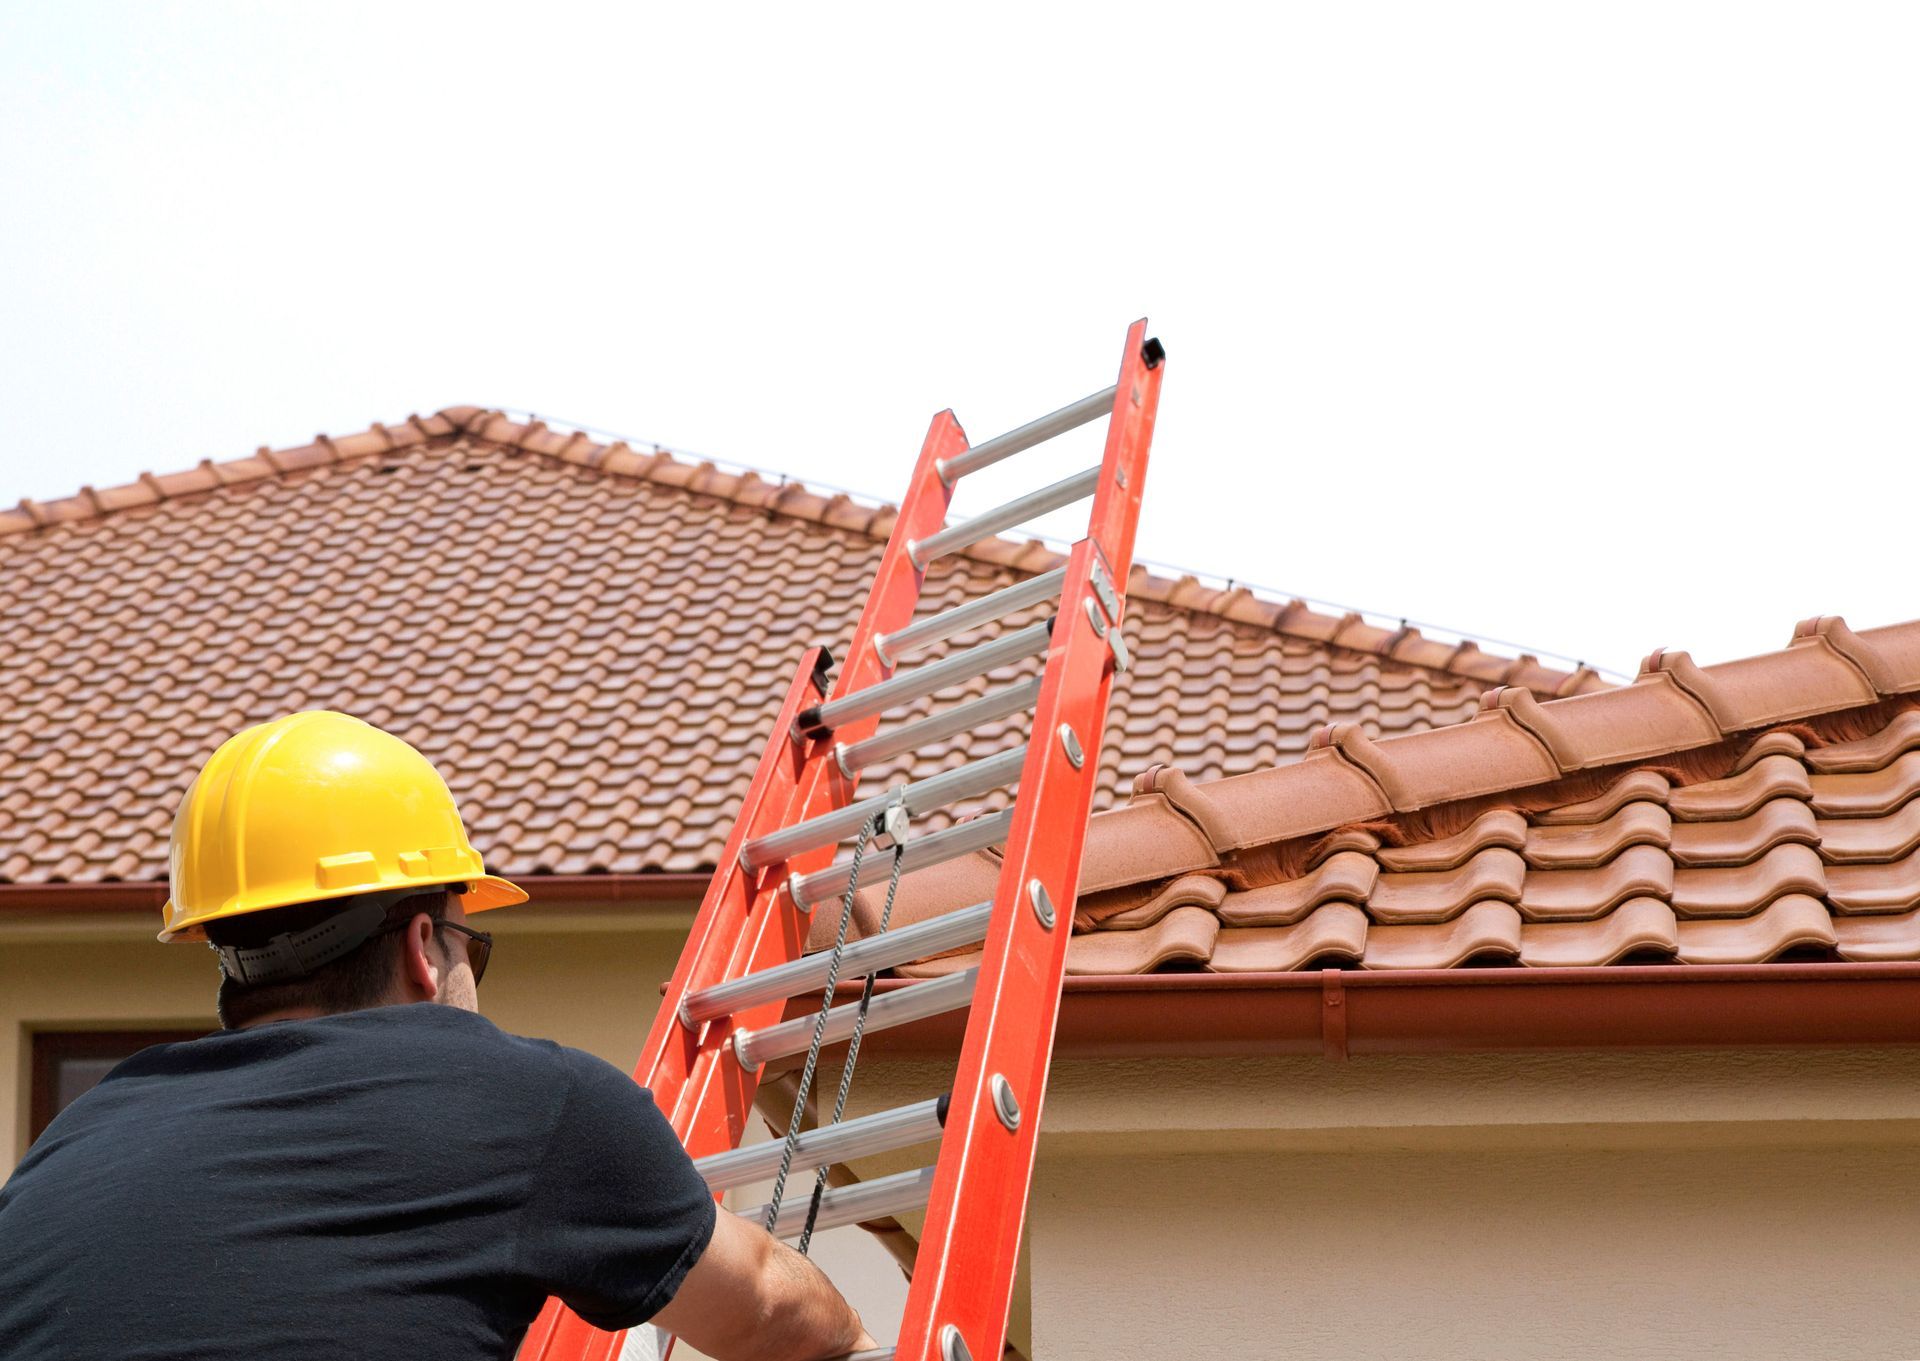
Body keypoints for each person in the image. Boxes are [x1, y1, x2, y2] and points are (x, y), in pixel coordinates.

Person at [0, 710, 875, 1361]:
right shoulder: (525, 1099)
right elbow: (765, 1307)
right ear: (425, 946)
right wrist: (861, 1335)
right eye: (474, 948)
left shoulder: (81, 1132)